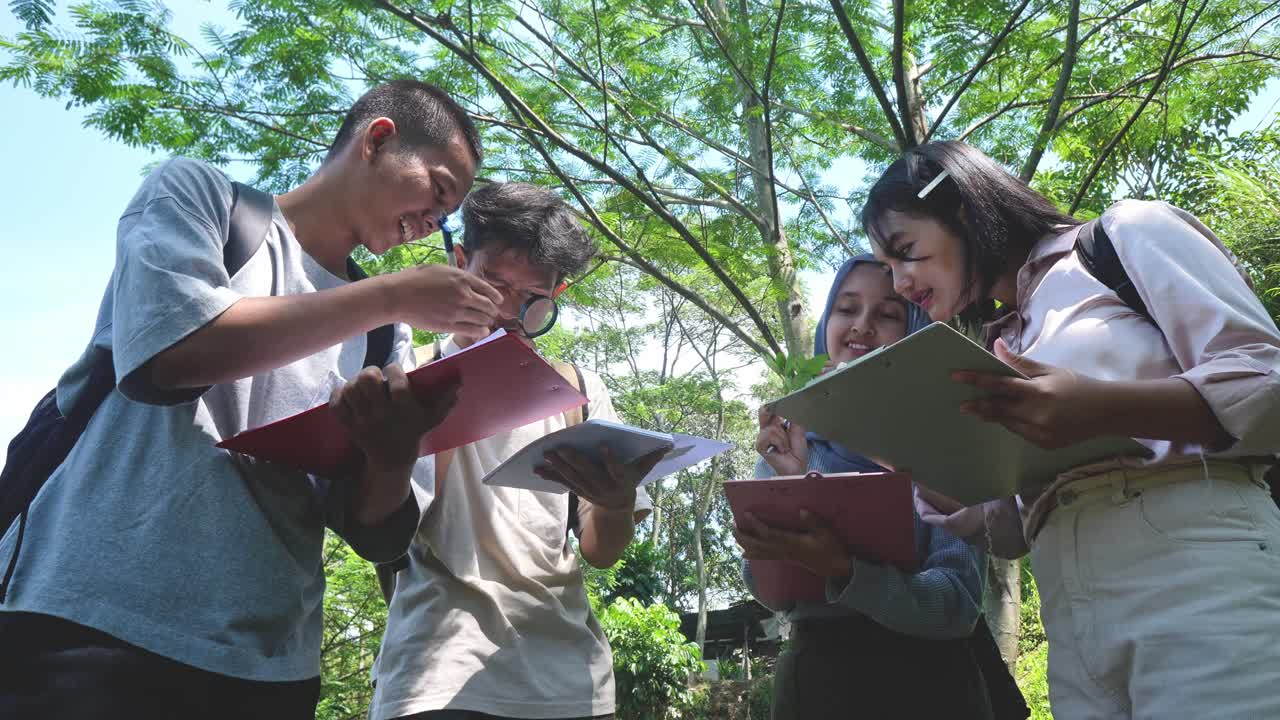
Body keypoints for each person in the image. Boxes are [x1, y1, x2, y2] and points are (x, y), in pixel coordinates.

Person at [0, 80, 505, 719]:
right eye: (436, 190)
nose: (432, 222)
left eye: (445, 213)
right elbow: (170, 355)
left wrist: (392, 454)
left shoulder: (386, 336)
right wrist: (392, 294)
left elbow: (377, 534)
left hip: (269, 667)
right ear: (377, 140)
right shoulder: (200, 198)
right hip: (92, 624)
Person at [864, 140, 1280, 719]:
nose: (900, 283)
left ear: (959, 207)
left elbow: (1267, 381)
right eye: (888, 268)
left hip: (1197, 572)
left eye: (905, 251)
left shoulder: (1122, 236)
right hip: (1071, 619)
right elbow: (1010, 529)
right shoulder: (998, 340)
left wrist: (1103, 408)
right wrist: (921, 465)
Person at [368, 182, 661, 720]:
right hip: (439, 676)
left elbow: (600, 551)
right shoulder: (409, 376)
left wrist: (616, 504)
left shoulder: (578, 390)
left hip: (570, 680)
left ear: (557, 294)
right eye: (492, 283)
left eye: (532, 300)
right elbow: (380, 527)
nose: (507, 310)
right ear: (459, 262)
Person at [735, 254, 1012, 719]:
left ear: (916, 332)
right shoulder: (794, 439)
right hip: (817, 688)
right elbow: (776, 595)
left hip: (933, 689)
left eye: (887, 314)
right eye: (847, 308)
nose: (861, 326)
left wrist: (846, 571)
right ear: (828, 320)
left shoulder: (946, 442)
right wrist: (787, 505)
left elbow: (957, 603)